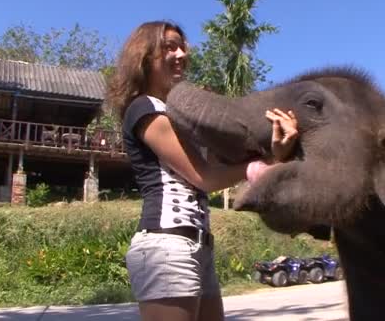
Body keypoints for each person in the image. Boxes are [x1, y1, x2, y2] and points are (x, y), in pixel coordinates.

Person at [109, 20, 299, 321]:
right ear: (145, 57)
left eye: (183, 47)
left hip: (199, 246)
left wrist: (276, 154)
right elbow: (205, 177)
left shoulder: (174, 113)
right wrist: (255, 167)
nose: (182, 54)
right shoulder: (144, 108)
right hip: (166, 245)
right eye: (170, 47)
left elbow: (221, 168)